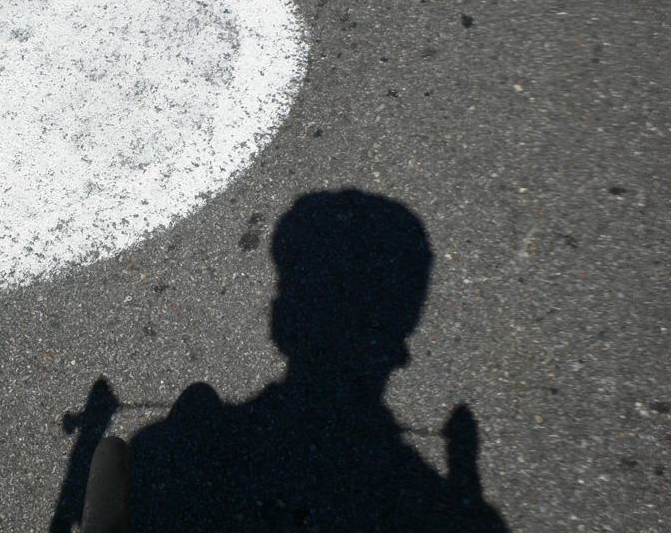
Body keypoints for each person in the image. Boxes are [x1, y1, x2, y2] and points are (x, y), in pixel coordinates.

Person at [61, 190, 508, 532]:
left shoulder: (157, 446)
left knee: (183, 418)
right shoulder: (433, 503)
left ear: (280, 320)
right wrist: (464, 481)